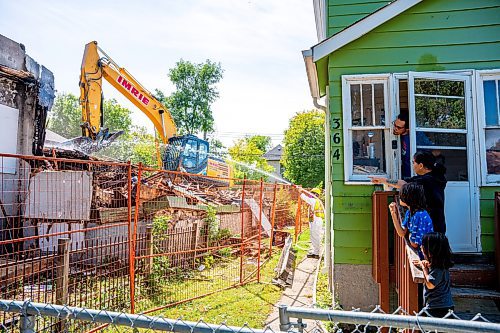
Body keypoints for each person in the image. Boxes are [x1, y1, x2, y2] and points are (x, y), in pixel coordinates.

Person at [370, 150, 447, 233]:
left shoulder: (427, 180)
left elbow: (404, 184)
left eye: (414, 162)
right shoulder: (437, 177)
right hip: (438, 223)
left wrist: (383, 180)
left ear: (421, 165)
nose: (413, 165)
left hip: (430, 226)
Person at [413, 232, 454, 318]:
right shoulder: (438, 265)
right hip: (442, 306)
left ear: (431, 252)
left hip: (438, 308)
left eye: (423, 245)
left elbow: (431, 284)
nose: (421, 247)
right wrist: (424, 264)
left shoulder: (438, 269)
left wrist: (424, 269)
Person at [389, 183, 433, 252]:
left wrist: (409, 235)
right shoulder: (409, 212)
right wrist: (393, 213)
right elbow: (401, 233)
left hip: (427, 253)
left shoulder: (420, 215)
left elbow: (415, 243)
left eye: (402, 195)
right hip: (421, 252)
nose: (399, 197)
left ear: (409, 197)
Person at [300, 188, 324, 259]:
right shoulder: (317, 201)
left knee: (315, 237)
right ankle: (315, 251)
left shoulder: (314, 200)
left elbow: (306, 198)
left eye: (312, 193)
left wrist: (300, 192)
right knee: (314, 237)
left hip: (316, 221)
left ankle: (316, 253)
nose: (311, 195)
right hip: (316, 220)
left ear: (315, 194)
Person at [392, 112, 411, 179]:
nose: (395, 128)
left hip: (411, 174)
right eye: (394, 125)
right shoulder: (397, 137)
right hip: (401, 173)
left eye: (399, 127)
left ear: (407, 129)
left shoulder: (415, 137)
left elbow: (435, 151)